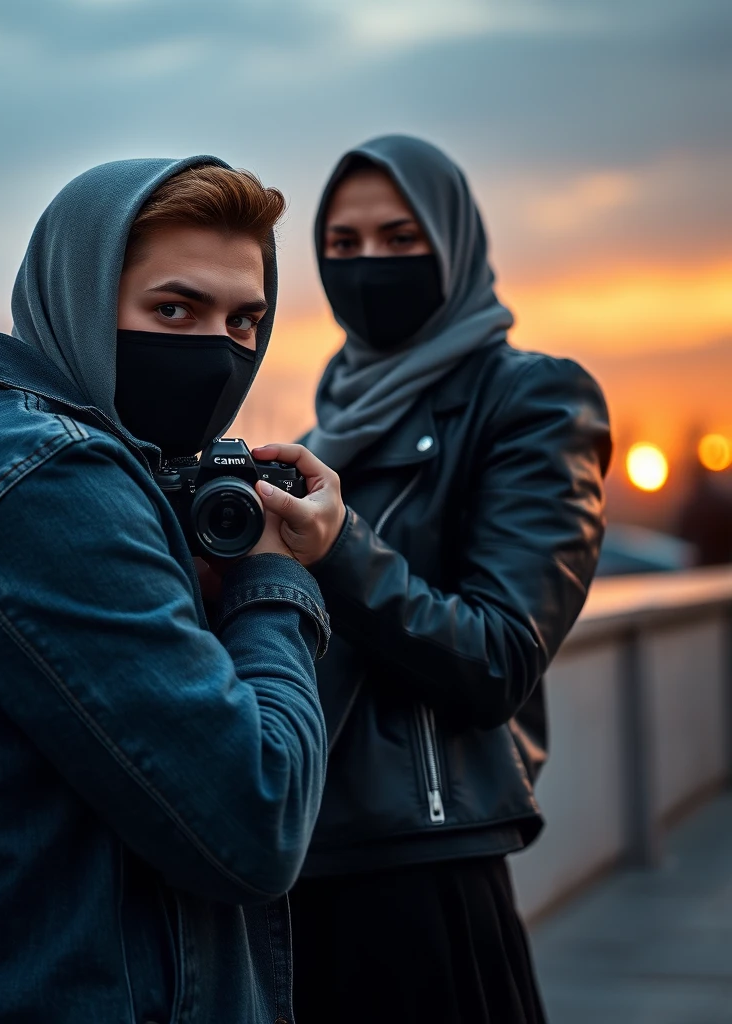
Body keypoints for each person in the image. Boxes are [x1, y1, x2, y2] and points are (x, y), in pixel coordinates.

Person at [0, 157, 334, 1023]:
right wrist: (273, 580)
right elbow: (256, 819)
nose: (219, 351)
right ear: (82, 298)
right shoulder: (50, 486)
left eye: (245, 321)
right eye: (174, 309)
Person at [249, 136, 613, 1022]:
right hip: (296, 856)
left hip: (423, 868)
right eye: (342, 245)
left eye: (400, 237)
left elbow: (500, 655)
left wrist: (338, 549)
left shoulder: (532, 401)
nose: (369, 264)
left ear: (452, 245)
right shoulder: (328, 427)